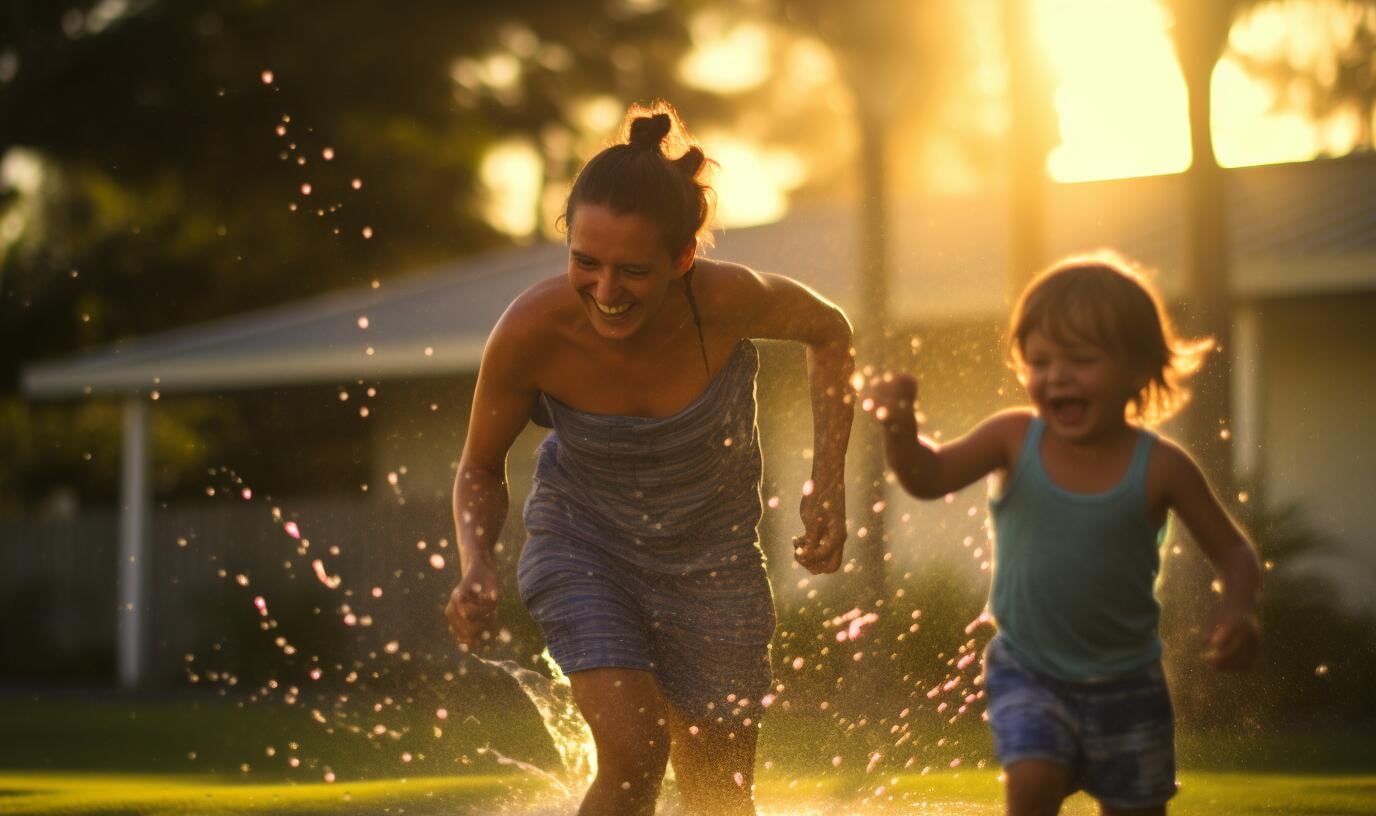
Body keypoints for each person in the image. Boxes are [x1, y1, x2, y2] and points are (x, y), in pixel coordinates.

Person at [443, 101, 854, 816]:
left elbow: (831, 332)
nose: (605, 292)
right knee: (634, 759)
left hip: (714, 567)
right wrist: (476, 561)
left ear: (683, 258)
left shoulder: (727, 302)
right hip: (585, 550)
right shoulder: (531, 331)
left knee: (717, 797)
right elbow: (479, 467)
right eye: (585, 262)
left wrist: (829, 479)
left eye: (632, 270)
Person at [859, 253, 1260, 816]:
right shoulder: (1013, 438)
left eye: (1080, 359)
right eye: (1040, 361)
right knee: (1031, 782)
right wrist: (901, 430)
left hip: (1130, 681)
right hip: (1029, 669)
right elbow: (929, 478)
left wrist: (1239, 609)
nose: (1056, 377)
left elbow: (1234, 551)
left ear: (1139, 367)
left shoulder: (1162, 467)